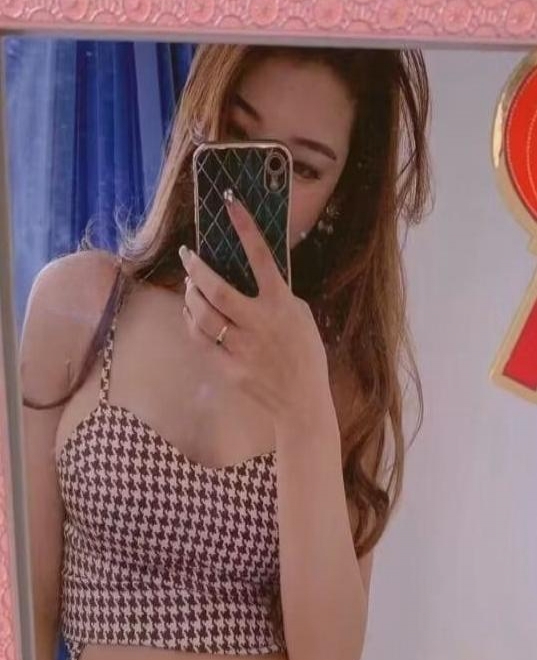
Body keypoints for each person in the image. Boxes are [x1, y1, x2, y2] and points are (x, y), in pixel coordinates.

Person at [19, 43, 431, 660]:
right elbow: (22, 613)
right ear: (200, 123)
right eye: (238, 134)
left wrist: (302, 411)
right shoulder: (78, 305)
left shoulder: (342, 381)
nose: (248, 195)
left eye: (302, 168)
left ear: (341, 194)